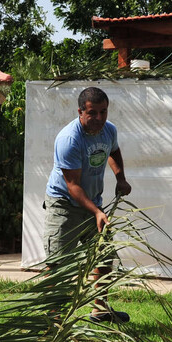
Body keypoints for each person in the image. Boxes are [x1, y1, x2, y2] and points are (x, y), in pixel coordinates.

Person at [43, 86, 132, 322]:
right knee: (59, 263)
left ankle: (100, 309)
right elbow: (73, 186)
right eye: (93, 113)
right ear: (80, 111)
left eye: (104, 112)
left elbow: (114, 151)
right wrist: (97, 212)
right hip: (64, 205)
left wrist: (120, 177)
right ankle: (54, 317)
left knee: (103, 256)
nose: (99, 118)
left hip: (93, 204)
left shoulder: (108, 130)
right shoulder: (69, 139)